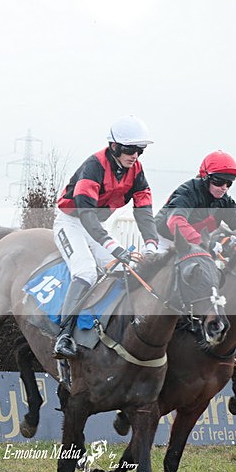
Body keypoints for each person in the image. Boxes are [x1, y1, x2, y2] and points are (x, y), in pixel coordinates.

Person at [52, 115, 159, 359]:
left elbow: (144, 212)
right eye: (130, 149)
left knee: (125, 269)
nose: (135, 155)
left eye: (140, 150)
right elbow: (85, 214)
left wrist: (151, 247)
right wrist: (114, 247)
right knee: (86, 272)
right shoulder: (94, 166)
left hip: (95, 227)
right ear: (114, 147)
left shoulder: (136, 171)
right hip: (71, 222)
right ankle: (64, 335)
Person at [154, 150, 236, 253]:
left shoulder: (225, 201)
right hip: (165, 240)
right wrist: (205, 243)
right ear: (205, 177)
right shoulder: (188, 191)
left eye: (228, 183)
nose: (224, 188)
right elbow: (175, 222)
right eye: (219, 182)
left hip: (196, 243)